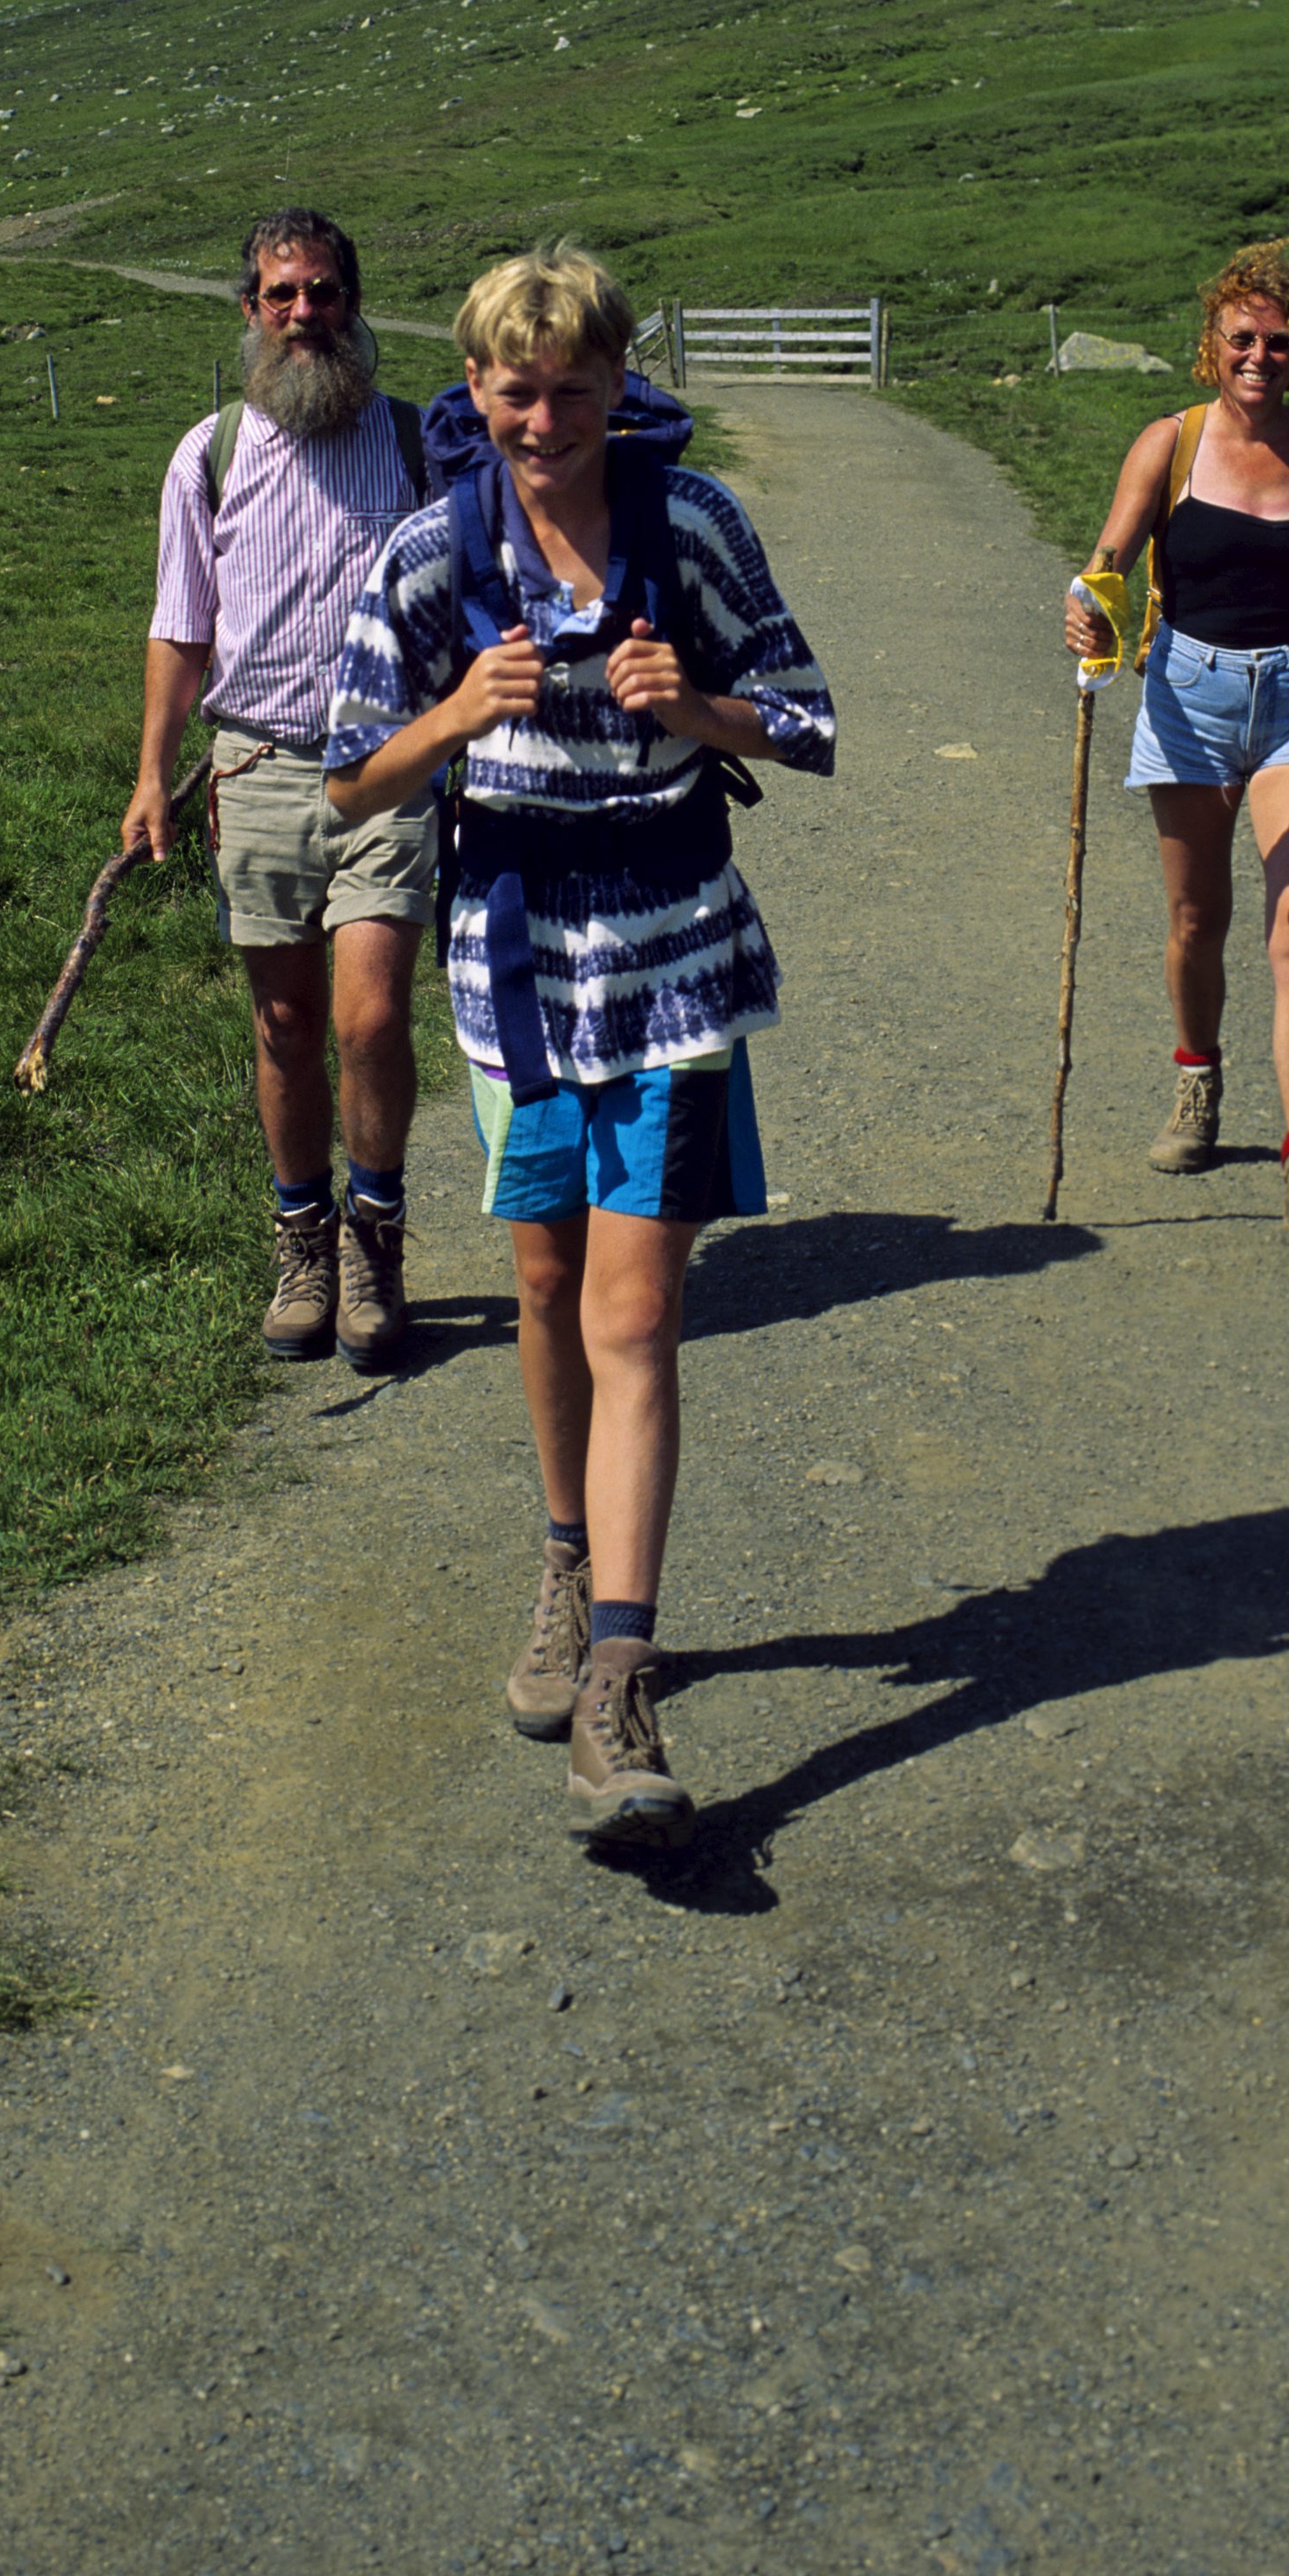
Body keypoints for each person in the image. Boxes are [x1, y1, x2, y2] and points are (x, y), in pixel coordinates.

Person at [324, 247, 833, 1857]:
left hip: (677, 970)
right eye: (514, 387)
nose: (543, 415)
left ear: (623, 383)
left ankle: (621, 1663)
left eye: (573, 385)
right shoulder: (425, 558)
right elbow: (347, 781)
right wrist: (452, 718)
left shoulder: (693, 531)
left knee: (634, 1311)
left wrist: (704, 707)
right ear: (474, 390)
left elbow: (812, 716)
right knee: (544, 1287)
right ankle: (564, 1555)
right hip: (514, 976)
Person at [124, 208, 438, 1374]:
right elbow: (178, 628)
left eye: (323, 292)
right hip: (253, 766)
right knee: (286, 1023)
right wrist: (153, 776)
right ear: (249, 312)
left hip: (388, 765)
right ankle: (299, 1242)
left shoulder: (415, 446)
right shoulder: (206, 456)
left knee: (367, 1019)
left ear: (353, 302)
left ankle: (374, 1243)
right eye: (279, 295)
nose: (304, 313)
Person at [1063, 243, 1289, 1244]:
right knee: (1197, 919)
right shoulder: (1170, 440)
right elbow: (1109, 554)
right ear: (1211, 345)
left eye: (1278, 342)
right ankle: (1196, 1080)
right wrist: (1090, 610)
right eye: (1239, 338)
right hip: (1187, 695)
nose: (1258, 356)